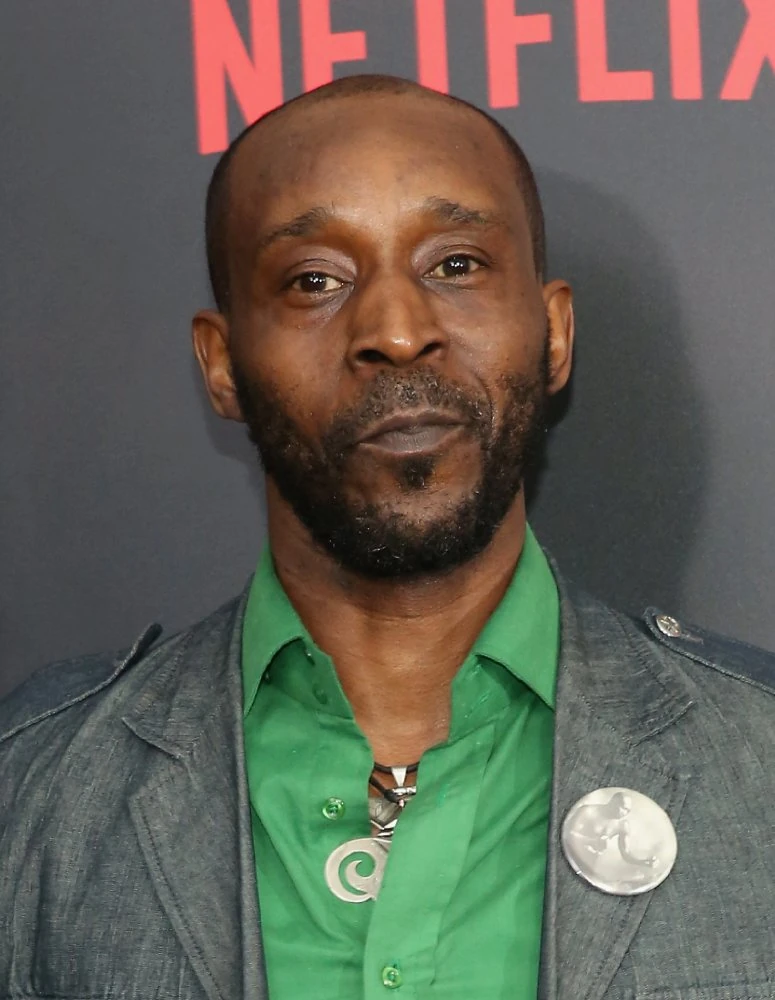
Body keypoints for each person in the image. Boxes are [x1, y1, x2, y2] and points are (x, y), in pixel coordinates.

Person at [2, 74, 775, 1000]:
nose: (397, 333)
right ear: (222, 365)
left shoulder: (757, 752)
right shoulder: (34, 783)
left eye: (456, 265)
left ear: (553, 332)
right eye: (314, 281)